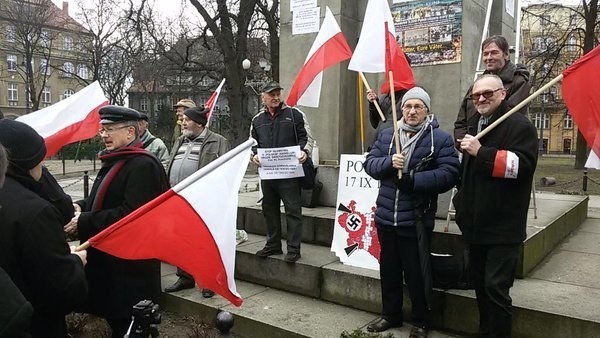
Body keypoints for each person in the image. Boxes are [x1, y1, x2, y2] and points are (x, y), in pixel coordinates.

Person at [65, 105, 169, 337]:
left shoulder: (143, 165)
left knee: (130, 326)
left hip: (130, 272)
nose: (103, 135)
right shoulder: (120, 159)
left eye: (110, 129)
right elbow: (106, 196)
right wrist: (82, 205)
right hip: (113, 266)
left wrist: (84, 221)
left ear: (130, 132)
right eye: (102, 130)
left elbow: (131, 215)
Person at [364, 87, 459, 337]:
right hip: (386, 217)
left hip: (416, 219)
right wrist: (388, 163)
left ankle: (421, 321)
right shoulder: (387, 135)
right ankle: (390, 315)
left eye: (418, 106)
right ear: (402, 108)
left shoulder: (439, 139)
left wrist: (414, 180)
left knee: (418, 273)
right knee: (390, 270)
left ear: (427, 110)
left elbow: (450, 173)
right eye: (408, 106)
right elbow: (369, 164)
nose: (412, 111)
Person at [454, 74, 538, 338]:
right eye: (476, 95)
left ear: (502, 94)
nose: (481, 99)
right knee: (479, 284)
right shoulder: (475, 123)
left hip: (502, 229)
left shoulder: (519, 125)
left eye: (487, 93)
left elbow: (522, 167)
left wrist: (482, 152)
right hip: (475, 225)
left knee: (496, 289)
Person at [0, 120, 88, 338]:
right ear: (27, 163)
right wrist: (75, 262)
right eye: (41, 159)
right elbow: (62, 291)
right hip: (34, 325)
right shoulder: (35, 212)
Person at [163, 107, 229, 296]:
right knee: (181, 240)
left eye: (187, 120)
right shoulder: (180, 140)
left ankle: (208, 281)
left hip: (204, 201)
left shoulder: (218, 141)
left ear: (199, 123)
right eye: (182, 120)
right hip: (178, 199)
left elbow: (224, 170)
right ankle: (185, 277)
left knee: (204, 241)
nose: (183, 123)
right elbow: (170, 164)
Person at [250, 81, 308, 263]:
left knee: (293, 210)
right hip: (268, 174)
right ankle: (273, 244)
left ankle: (293, 249)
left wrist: (304, 153)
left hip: (290, 173)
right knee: (269, 210)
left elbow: (307, 138)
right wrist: (253, 157)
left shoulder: (295, 114)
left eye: (277, 94)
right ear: (263, 97)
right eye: (271, 94)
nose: (275, 98)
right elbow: (252, 144)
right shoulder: (257, 120)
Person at [454, 35, 530, 149]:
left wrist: (482, 150)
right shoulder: (477, 84)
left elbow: (511, 118)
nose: (488, 57)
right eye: (485, 54)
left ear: (505, 54)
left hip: (497, 150)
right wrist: (462, 144)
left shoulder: (518, 81)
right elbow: (461, 121)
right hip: (470, 150)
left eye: (494, 53)